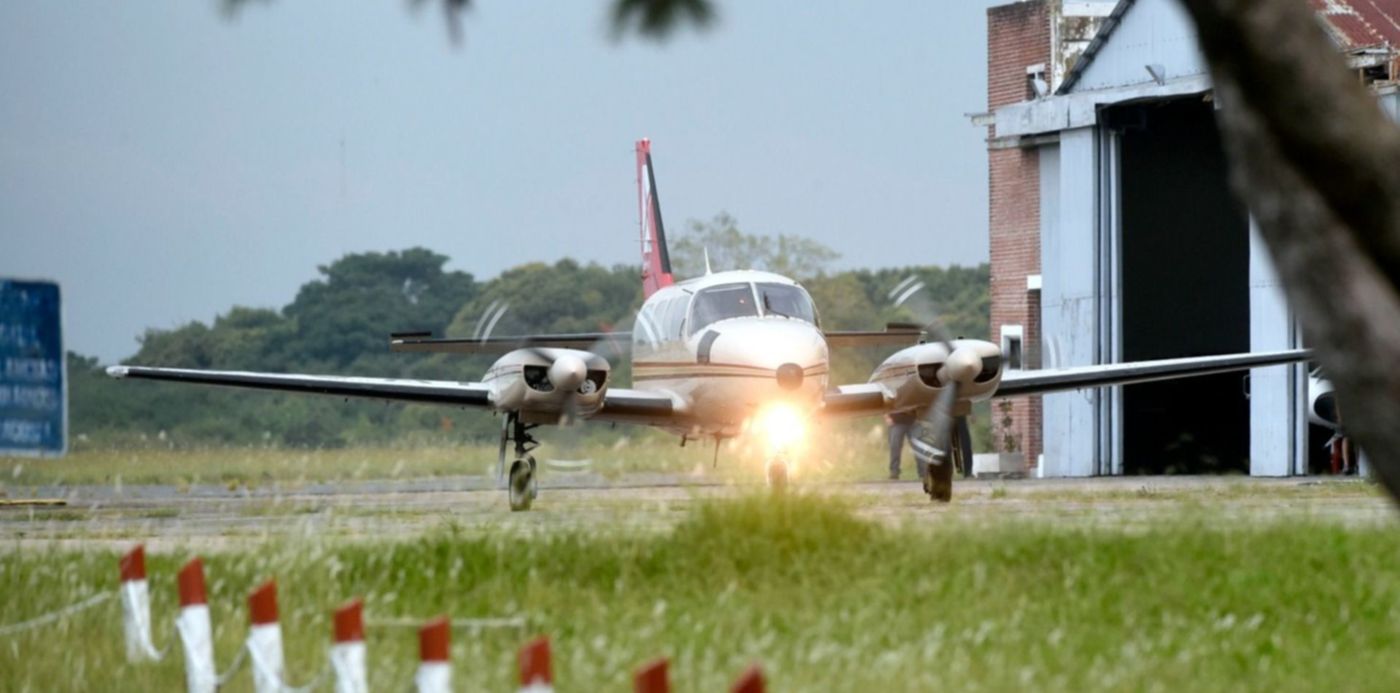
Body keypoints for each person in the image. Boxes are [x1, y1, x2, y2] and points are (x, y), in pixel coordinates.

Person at [885, 409, 918, 480]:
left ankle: (923, 473)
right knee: (895, 447)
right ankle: (894, 472)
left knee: (918, 447)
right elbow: (887, 401)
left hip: (912, 421)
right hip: (896, 421)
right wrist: (887, 417)